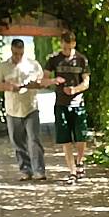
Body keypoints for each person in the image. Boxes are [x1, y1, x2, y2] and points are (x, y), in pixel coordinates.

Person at [0, 38, 45, 181]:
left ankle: (39, 170)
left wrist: (33, 84)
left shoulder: (33, 65)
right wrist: (9, 87)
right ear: (11, 50)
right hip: (13, 109)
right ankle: (26, 170)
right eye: (15, 53)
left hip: (31, 107)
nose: (18, 56)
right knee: (17, 141)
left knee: (34, 140)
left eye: (20, 53)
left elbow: (42, 82)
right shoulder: (3, 67)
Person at [44, 31, 90, 184]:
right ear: (61, 44)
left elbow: (86, 83)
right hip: (61, 103)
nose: (66, 50)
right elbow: (43, 80)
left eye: (69, 48)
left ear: (74, 44)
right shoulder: (54, 59)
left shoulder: (81, 60)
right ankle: (72, 171)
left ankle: (79, 162)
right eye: (64, 47)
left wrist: (74, 90)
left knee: (81, 136)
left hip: (78, 103)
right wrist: (54, 80)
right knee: (66, 139)